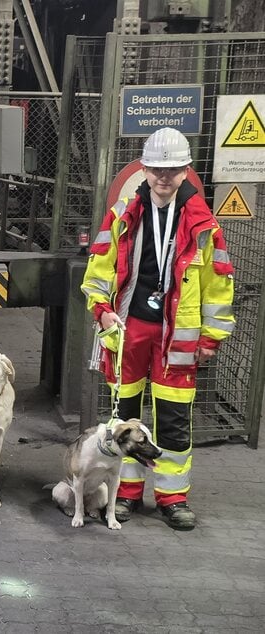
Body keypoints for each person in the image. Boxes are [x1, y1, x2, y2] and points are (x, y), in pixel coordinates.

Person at [81, 127, 235, 531]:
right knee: (125, 415)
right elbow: (97, 271)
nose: (164, 177)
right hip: (129, 330)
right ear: (144, 169)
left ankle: (172, 498)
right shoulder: (121, 217)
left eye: (173, 169)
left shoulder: (204, 225)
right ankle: (126, 495)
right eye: (156, 168)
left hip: (177, 339)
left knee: (172, 419)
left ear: (186, 170)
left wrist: (211, 337)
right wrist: (102, 312)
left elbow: (219, 284)